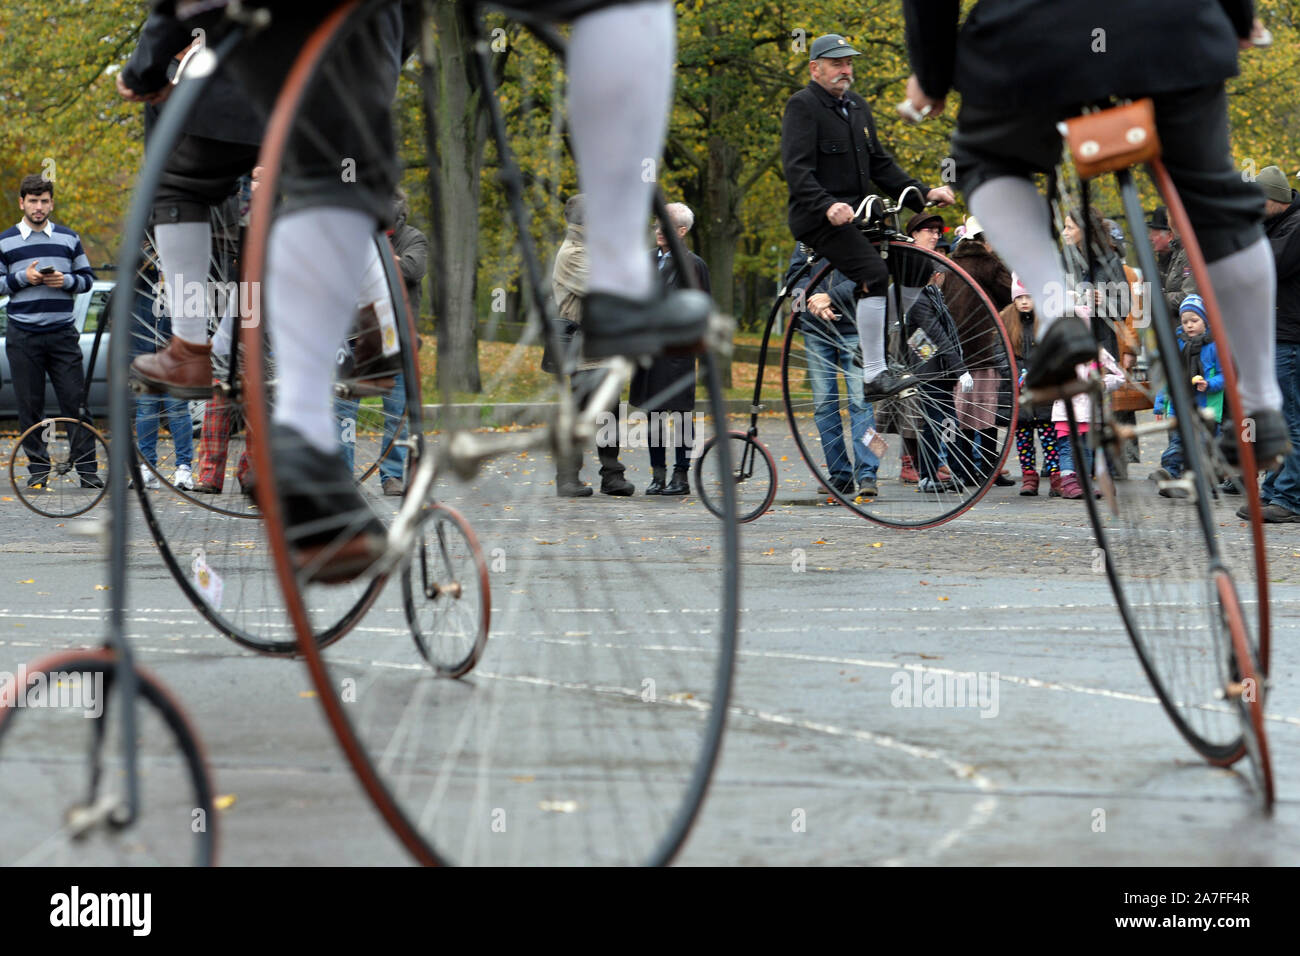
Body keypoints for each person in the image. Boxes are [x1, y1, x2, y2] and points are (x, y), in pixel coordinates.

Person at [121, 1, 711, 583]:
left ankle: (206, 359)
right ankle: (625, 278)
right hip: (363, 60)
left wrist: (143, 71)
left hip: (268, 70)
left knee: (196, 172)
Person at [899, 0, 1290, 476]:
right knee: (1218, 203)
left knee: (986, 166)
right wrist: (1236, 16)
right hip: (1169, 31)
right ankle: (1262, 406)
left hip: (1029, 38)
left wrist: (932, 71)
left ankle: (1059, 312)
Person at [781, 32, 955, 409]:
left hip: (860, 214)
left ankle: (873, 330)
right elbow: (796, 171)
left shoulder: (856, 106)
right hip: (819, 218)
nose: (846, 70)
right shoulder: (803, 106)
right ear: (815, 68)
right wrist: (827, 205)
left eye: (848, 63)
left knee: (914, 264)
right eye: (836, 64)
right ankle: (874, 374)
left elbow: (881, 165)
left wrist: (924, 192)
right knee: (873, 274)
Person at [1, 174, 102, 490]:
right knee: (30, 406)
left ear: (51, 203)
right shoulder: (4, 241)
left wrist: (67, 281)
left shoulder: (69, 238)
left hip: (62, 334)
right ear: (22, 203)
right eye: (33, 201)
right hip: (23, 336)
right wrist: (22, 279)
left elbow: (88, 278)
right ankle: (38, 471)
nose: (39, 207)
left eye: (44, 201)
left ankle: (87, 471)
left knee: (76, 402)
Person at [335, 188, 427, 496]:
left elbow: (413, 269)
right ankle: (343, 476)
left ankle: (391, 475)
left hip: (395, 340)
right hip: (353, 337)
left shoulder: (414, 237)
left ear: (400, 216)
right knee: (344, 411)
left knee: (397, 413)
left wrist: (379, 261)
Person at [548, 194, 634, 497]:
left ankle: (612, 475)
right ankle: (568, 477)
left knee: (608, 414)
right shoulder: (572, 253)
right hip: (582, 350)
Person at [783, 243, 881, 497]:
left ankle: (868, 473)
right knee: (824, 404)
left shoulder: (858, 233)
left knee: (861, 402)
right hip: (815, 328)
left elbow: (869, 273)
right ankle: (839, 474)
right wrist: (814, 299)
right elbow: (795, 275)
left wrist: (832, 297)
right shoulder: (807, 239)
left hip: (854, 326)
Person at [1239, 166, 1300, 521]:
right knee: (1275, 418)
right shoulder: (1276, 225)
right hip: (1274, 335)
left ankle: (1290, 497)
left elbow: (1265, 267)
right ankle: (1276, 489)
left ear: (1273, 199)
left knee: (1289, 419)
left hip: (1288, 337)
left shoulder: (1294, 227)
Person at [633, 202, 705, 496]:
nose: (659, 230)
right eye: (657, 224)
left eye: (666, 225)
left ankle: (681, 475)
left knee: (681, 414)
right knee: (653, 416)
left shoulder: (694, 265)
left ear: (682, 231)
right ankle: (658, 474)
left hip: (677, 353)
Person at [944, 217, 1015, 487]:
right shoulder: (990, 264)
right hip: (984, 347)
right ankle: (987, 468)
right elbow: (1011, 293)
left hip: (956, 351)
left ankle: (963, 469)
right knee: (986, 411)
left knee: (961, 413)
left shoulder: (951, 265)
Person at [1150, 295, 1224, 498]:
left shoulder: (1215, 345)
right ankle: (1170, 474)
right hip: (1179, 405)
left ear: (1205, 320)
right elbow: (1168, 377)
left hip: (1206, 406)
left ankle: (1204, 485)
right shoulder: (1178, 344)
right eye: (1185, 321)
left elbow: (1225, 375)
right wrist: (1160, 404)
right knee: (1178, 441)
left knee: (1203, 447)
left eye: (1194, 320)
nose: (1189, 325)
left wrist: (1209, 384)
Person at [1001, 277, 1059, 496]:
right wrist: (1013, 373)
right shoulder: (1005, 320)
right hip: (1018, 390)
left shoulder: (1045, 320)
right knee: (1023, 435)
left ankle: (1055, 475)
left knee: (1048, 434)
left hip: (1042, 388)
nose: (1024, 302)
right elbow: (1000, 353)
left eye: (1028, 297)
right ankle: (1029, 476)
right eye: (1020, 298)